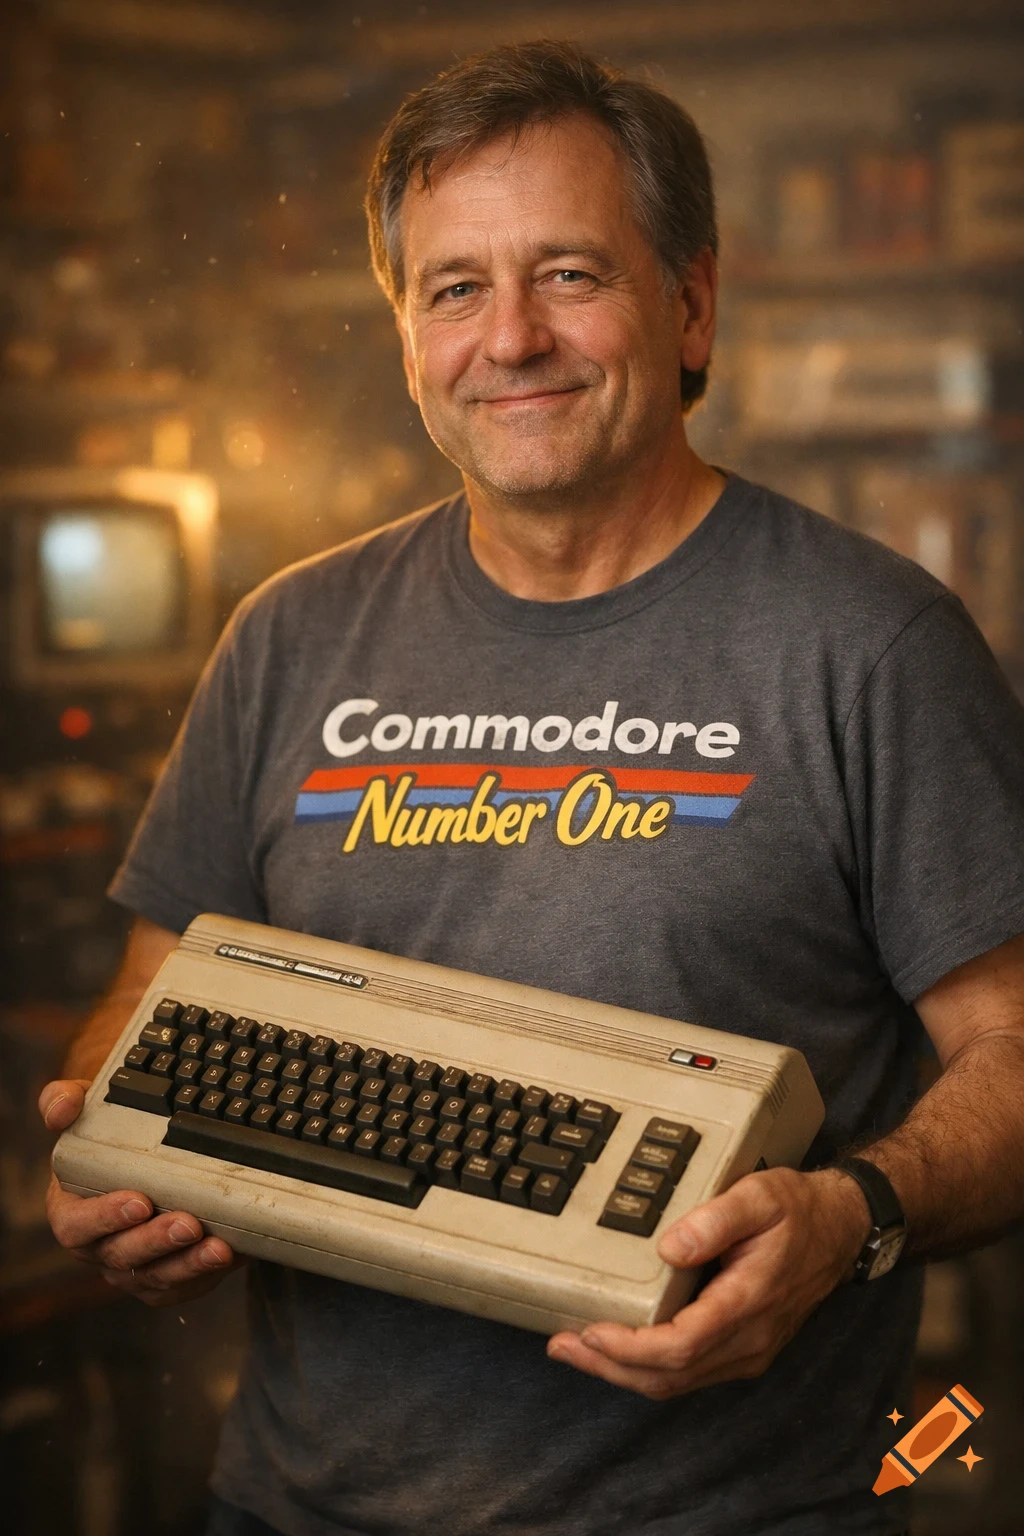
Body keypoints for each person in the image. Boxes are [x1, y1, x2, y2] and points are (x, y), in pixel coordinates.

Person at [39, 40, 1024, 1536]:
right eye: (454, 288)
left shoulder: (869, 646)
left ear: (691, 304)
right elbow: (147, 991)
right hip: (297, 1507)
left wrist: (857, 1215)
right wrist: (109, 1146)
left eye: (570, 273)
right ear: (406, 337)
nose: (510, 338)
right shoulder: (289, 635)